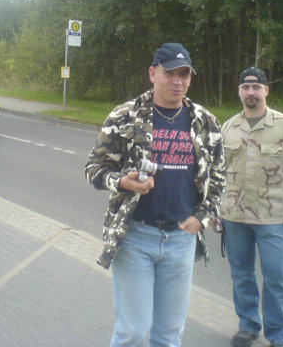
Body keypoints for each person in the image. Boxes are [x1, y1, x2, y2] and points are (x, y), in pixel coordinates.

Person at [85, 42, 225, 347]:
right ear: (153, 73)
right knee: (133, 332)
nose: (177, 81)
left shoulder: (204, 121)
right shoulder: (125, 116)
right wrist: (124, 182)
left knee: (169, 335)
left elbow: (218, 177)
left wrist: (201, 218)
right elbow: (94, 170)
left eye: (184, 75)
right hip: (136, 236)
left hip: (181, 238)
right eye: (170, 73)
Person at [217, 67, 283, 347]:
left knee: (276, 276)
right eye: (246, 87)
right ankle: (248, 326)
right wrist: (215, 209)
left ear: (266, 90)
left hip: (270, 217)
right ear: (239, 91)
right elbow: (217, 172)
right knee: (241, 275)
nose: (251, 92)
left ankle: (279, 333)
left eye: (256, 87)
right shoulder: (228, 127)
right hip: (234, 215)